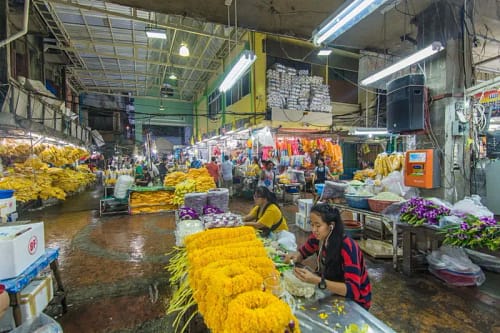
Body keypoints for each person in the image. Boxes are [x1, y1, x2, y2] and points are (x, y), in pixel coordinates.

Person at [285, 203, 371, 310]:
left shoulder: (348, 247)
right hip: (331, 289)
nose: (314, 230)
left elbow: (352, 290)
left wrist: (317, 280)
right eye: (311, 224)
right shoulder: (317, 237)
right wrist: (295, 257)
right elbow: (303, 253)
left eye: (318, 225)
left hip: (356, 302)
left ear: (331, 226)